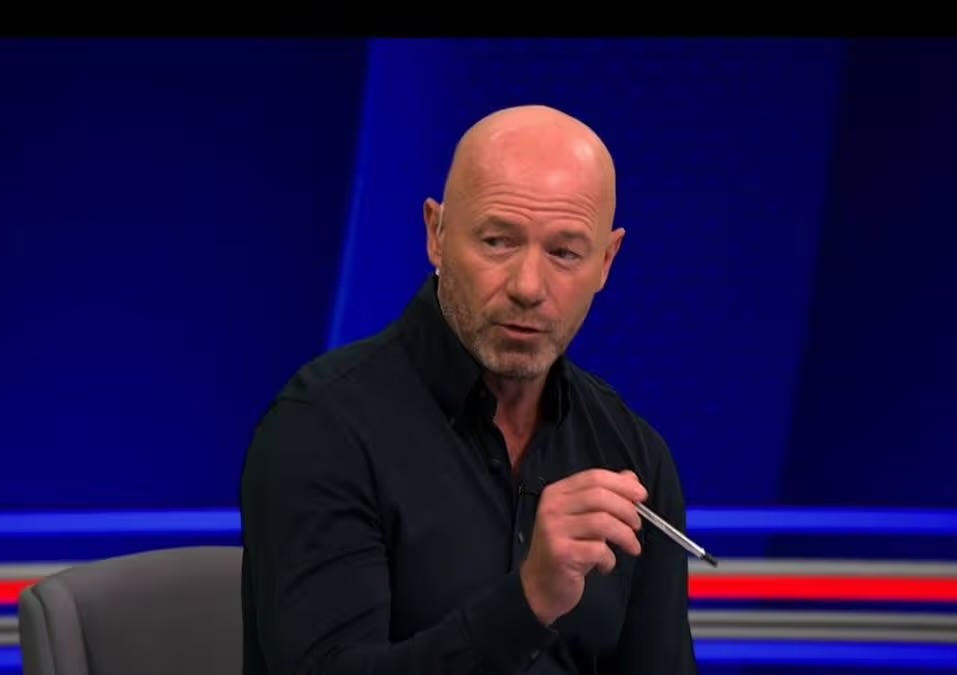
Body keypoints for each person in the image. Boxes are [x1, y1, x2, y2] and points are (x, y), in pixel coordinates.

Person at [239, 104, 697, 674]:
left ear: (605, 262)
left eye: (564, 253)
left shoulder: (633, 457)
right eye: (498, 241)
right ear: (436, 234)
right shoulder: (322, 429)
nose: (528, 286)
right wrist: (527, 602)